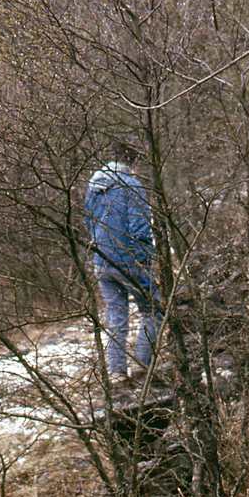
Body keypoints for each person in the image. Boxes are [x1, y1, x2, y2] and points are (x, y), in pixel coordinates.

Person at [83, 144, 161, 381]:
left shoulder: (94, 186)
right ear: (133, 162)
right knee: (153, 311)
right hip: (128, 259)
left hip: (102, 260)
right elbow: (140, 227)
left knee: (116, 318)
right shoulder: (131, 185)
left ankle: (116, 373)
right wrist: (145, 259)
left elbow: (89, 223)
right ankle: (141, 367)